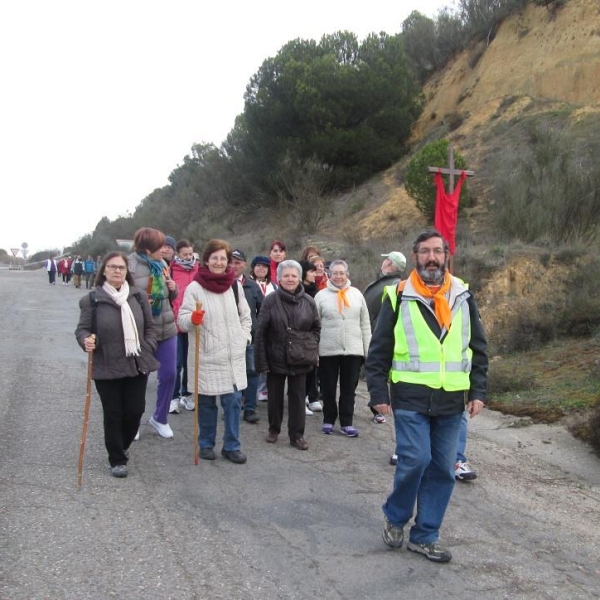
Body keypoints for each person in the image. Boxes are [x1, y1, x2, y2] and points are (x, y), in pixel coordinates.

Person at [366, 229, 488, 563]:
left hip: (452, 401)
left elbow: (478, 347)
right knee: (416, 460)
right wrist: (377, 392)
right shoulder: (397, 295)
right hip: (410, 397)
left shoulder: (463, 294)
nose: (431, 257)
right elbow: (379, 351)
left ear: (447, 255)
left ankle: (425, 535)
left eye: (437, 251)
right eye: (424, 251)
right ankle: (395, 515)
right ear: (415, 256)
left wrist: (478, 390)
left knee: (443, 470)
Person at [75, 252, 159, 477]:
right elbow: (82, 329)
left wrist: (148, 346)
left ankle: (122, 444)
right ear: (104, 271)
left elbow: (151, 327)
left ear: (126, 272)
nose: (117, 271)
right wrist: (86, 340)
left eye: (121, 267)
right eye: (112, 267)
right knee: (113, 413)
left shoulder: (139, 297)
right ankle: (117, 458)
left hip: (136, 363)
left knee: (135, 411)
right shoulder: (92, 300)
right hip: (107, 364)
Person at [178, 239, 252, 464]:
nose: (219, 262)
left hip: (232, 357)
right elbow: (182, 320)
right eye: (215, 258)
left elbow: (246, 316)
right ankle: (206, 443)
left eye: (223, 258)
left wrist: (244, 337)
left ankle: (232, 446)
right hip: (207, 355)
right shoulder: (195, 288)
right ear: (206, 261)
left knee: (232, 402)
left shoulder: (234, 286)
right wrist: (192, 318)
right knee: (208, 404)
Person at [255, 260, 320, 451]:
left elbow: (316, 328)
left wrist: (309, 345)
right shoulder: (270, 300)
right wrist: (261, 362)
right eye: (286, 276)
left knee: (298, 398)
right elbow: (261, 333)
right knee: (274, 397)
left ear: (299, 278)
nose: (290, 279)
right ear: (279, 278)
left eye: (293, 275)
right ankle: (273, 429)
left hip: (300, 358)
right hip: (275, 357)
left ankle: (297, 435)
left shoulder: (308, 301)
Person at [128, 227, 179, 439]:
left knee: (169, 374)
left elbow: (170, 297)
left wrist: (173, 288)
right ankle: (133, 422)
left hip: (167, 328)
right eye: (161, 246)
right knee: (140, 378)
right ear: (148, 249)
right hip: (142, 332)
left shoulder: (163, 264)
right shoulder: (129, 267)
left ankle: (160, 418)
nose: (166, 249)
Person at [315, 259, 371, 437]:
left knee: (349, 389)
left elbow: (365, 324)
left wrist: (367, 349)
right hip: (327, 350)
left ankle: (347, 422)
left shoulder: (357, 295)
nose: (338, 276)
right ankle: (329, 419)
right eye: (335, 273)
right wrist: (314, 351)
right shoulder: (321, 296)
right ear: (329, 275)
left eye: (342, 273)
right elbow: (314, 325)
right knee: (328, 388)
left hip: (353, 350)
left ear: (347, 275)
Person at [363, 251, 407, 425]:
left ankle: (379, 407)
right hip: (370, 333)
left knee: (378, 372)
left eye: (385, 259)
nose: (382, 262)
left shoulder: (394, 287)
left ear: (389, 263)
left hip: (375, 335)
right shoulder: (382, 282)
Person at [230, 249, 263, 424]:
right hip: (227, 338)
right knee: (230, 374)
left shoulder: (252, 285)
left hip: (250, 337)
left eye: (238, 262)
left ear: (244, 264)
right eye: (231, 262)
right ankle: (231, 407)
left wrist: (257, 328)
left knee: (252, 372)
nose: (234, 266)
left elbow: (262, 309)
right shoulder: (221, 284)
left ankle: (250, 408)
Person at [169, 239, 199, 414]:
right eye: (184, 254)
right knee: (176, 363)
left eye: (190, 254)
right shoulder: (172, 270)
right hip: (175, 323)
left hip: (193, 322)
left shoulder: (198, 269)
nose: (188, 257)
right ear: (177, 254)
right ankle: (173, 397)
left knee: (190, 362)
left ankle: (187, 394)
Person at [250, 255, 278, 402]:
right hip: (252, 327)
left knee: (266, 358)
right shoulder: (247, 284)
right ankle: (249, 392)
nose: (261, 269)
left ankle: (263, 389)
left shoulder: (273, 286)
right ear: (253, 268)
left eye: (265, 266)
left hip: (270, 328)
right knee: (252, 361)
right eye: (258, 266)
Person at [300, 260, 322, 415]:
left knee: (312, 368)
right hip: (299, 335)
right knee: (301, 369)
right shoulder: (299, 291)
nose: (315, 274)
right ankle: (300, 400)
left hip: (313, 335)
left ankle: (310, 397)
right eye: (311, 271)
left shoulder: (317, 291)